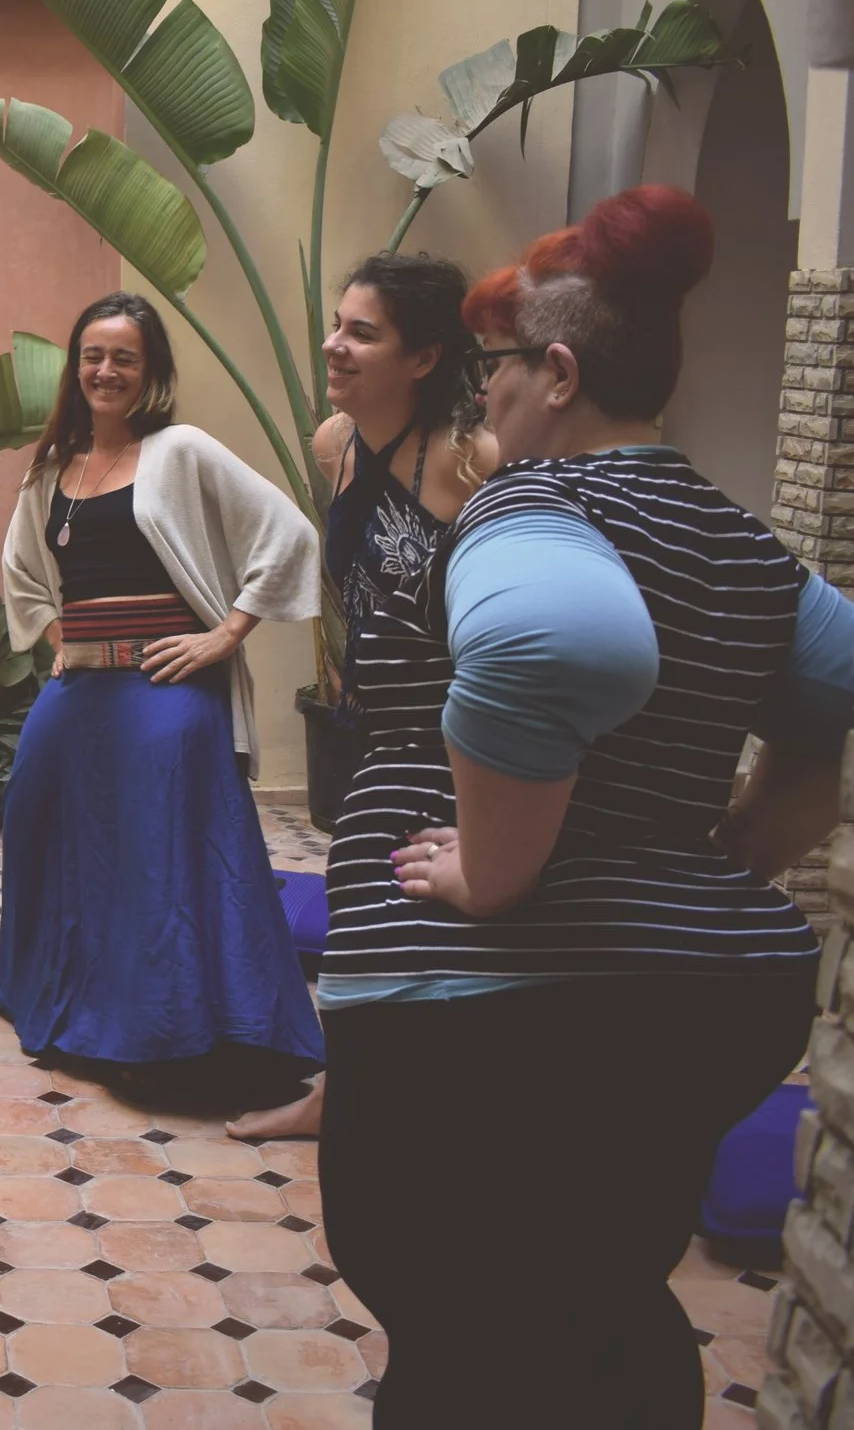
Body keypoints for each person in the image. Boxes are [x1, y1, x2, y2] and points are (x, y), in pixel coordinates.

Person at [318, 187, 851, 1427]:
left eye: (498, 366)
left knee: (459, 1323)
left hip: (489, 1015)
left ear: (556, 373)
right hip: (700, 996)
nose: (484, 394)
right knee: (600, 1298)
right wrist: (737, 849)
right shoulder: (741, 543)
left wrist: (488, 873)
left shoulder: (532, 500)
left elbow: (558, 649)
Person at [0, 292, 322, 1114]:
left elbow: (288, 531)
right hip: (82, 688)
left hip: (164, 687)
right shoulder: (55, 467)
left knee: (152, 852)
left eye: (124, 358)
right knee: (36, 815)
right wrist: (54, 641)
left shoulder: (179, 450)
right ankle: (17, 982)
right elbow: (26, 570)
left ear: (151, 375)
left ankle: (160, 1025)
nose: (105, 371)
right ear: (76, 370)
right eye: (93, 357)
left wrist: (224, 636)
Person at [226, 252, 493, 1142]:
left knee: (399, 913)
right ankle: (346, 1094)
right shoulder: (334, 445)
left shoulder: (473, 458)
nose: (333, 346)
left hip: (456, 735)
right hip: (375, 726)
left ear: (423, 358)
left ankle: (379, 1102)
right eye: (337, 325)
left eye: (361, 333)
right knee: (369, 906)